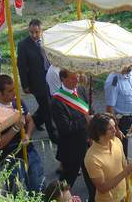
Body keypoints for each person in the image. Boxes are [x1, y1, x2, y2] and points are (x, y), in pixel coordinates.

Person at [0, 74, 45, 192]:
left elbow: (30, 121)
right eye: (10, 91)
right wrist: (15, 128)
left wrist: (28, 135)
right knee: (17, 191)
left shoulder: (18, 102)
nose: (14, 93)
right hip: (11, 158)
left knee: (39, 187)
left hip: (29, 151)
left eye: (15, 88)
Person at [51, 69, 95, 201]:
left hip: (86, 144)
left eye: (77, 77)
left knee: (93, 180)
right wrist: (84, 120)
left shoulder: (80, 90)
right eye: (72, 78)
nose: (77, 81)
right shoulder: (57, 101)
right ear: (63, 79)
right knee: (66, 184)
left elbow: (89, 110)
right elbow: (65, 128)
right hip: (71, 149)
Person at [85, 113, 132, 202]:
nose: (115, 130)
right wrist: (125, 172)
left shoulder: (117, 141)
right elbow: (102, 188)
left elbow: (124, 165)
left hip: (124, 196)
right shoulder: (92, 158)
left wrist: (128, 188)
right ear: (100, 132)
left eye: (114, 126)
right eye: (110, 128)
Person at [17, 19, 52, 133]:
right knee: (47, 107)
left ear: (41, 31)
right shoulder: (23, 45)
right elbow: (22, 67)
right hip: (37, 82)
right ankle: (53, 133)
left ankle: (35, 120)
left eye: (36, 32)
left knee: (48, 103)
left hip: (51, 78)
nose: (34, 35)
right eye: (31, 32)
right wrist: (25, 85)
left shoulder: (48, 40)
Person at [104, 65, 132, 155]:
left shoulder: (130, 74)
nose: (131, 64)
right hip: (124, 121)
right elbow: (109, 109)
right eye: (128, 62)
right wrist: (116, 129)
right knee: (126, 150)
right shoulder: (113, 81)